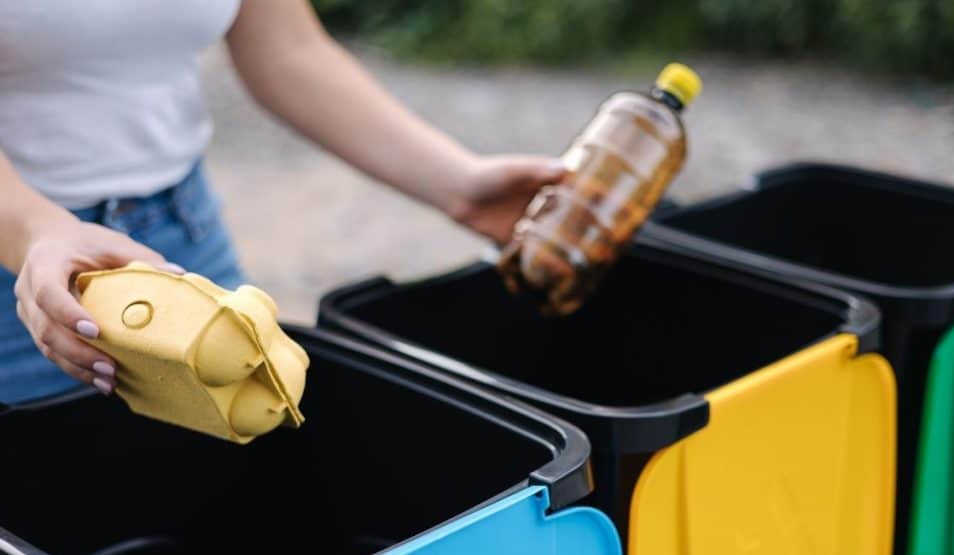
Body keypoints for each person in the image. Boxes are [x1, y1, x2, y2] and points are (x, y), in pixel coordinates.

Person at [0, 0, 564, 404]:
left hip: (176, 234)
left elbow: (287, 48)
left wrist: (459, 185)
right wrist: (35, 233)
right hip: (23, 268)